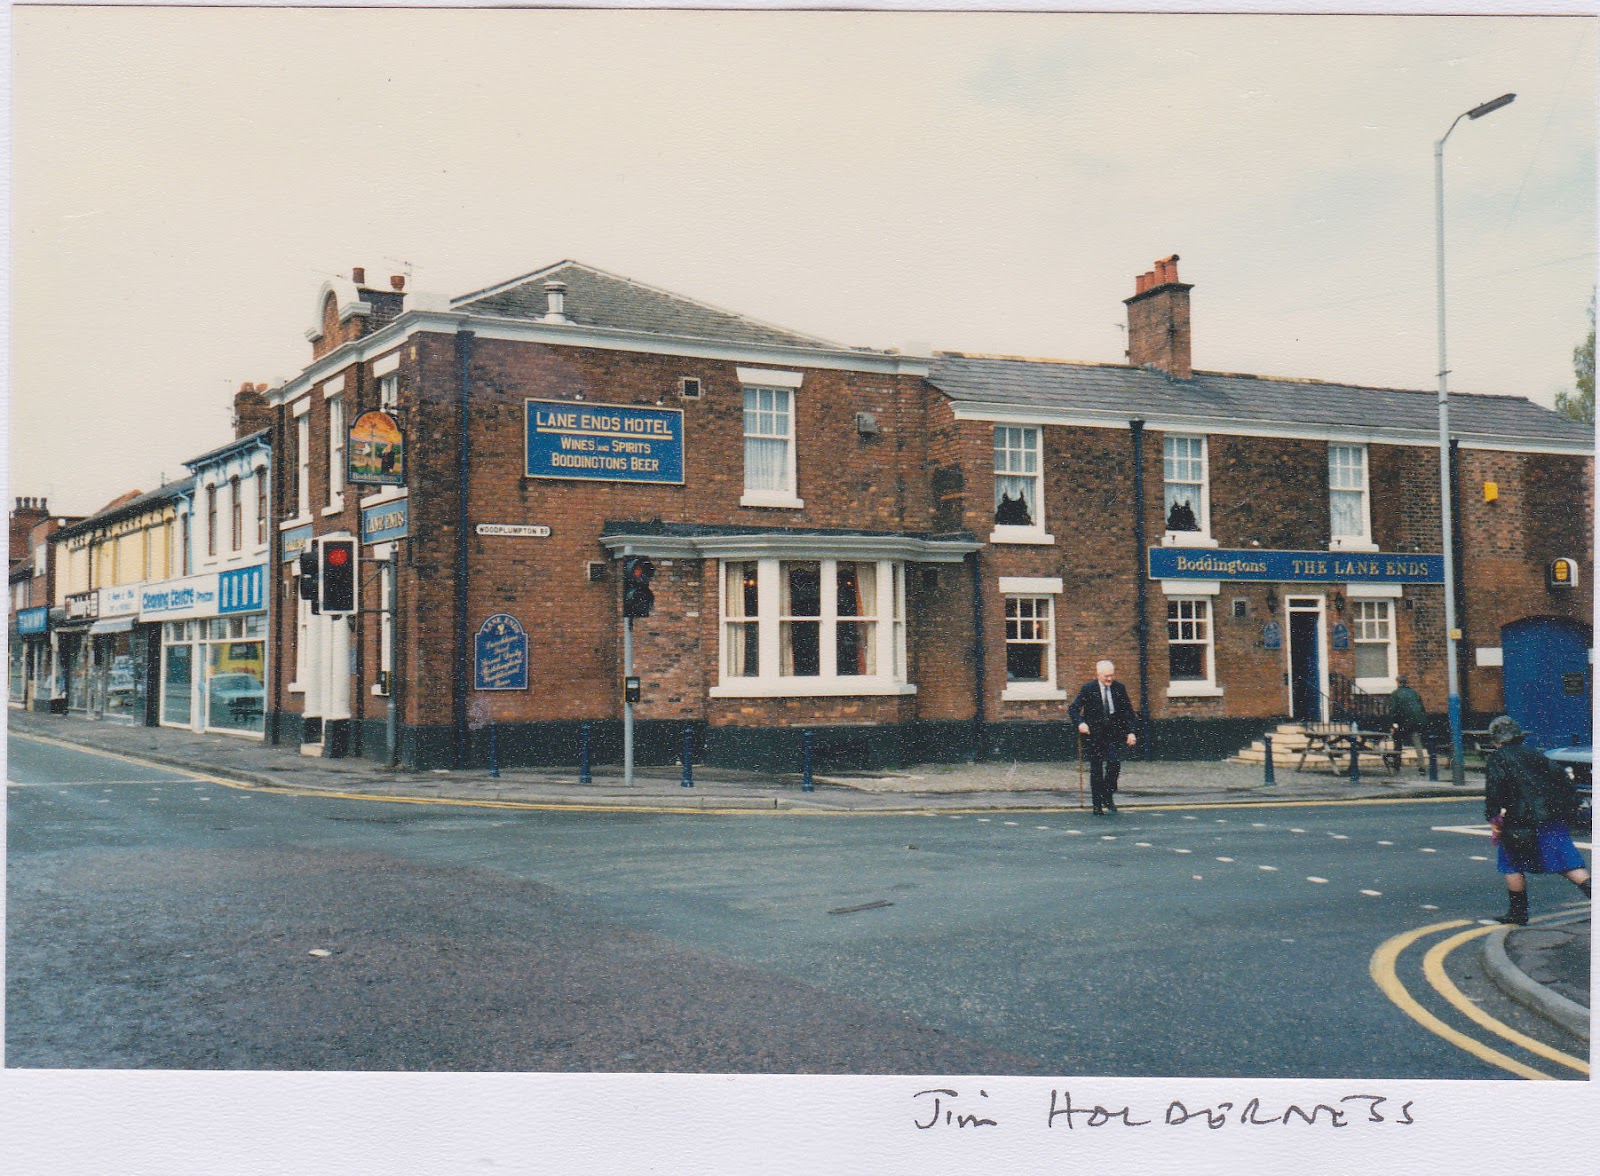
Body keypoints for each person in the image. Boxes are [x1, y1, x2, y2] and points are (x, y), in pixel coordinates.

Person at [1482, 715, 1591, 925]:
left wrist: (1493, 817)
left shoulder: (1498, 758)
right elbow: (1564, 782)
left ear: (1496, 740)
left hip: (1520, 821)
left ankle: (1518, 913)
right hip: (1551, 818)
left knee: (1511, 863)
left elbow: (1494, 791)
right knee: (1568, 864)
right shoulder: (1537, 755)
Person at [1068, 659, 1137, 815]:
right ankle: (1097, 804)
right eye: (1106, 676)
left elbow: (1128, 712)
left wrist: (1130, 732)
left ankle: (1107, 794)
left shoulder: (1119, 688)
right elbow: (1073, 709)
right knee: (1096, 770)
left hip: (1113, 734)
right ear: (1098, 675)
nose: (1109, 679)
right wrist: (1080, 723)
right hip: (1094, 735)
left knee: (1114, 764)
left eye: (1111, 676)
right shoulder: (1088, 689)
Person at [1389, 676, 1427, 777]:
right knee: (1417, 743)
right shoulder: (1414, 693)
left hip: (1403, 721)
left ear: (1397, 683)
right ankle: (1422, 767)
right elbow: (1421, 708)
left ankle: (1396, 764)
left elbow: (1393, 710)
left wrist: (1393, 723)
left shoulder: (1395, 694)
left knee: (1397, 742)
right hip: (1417, 721)